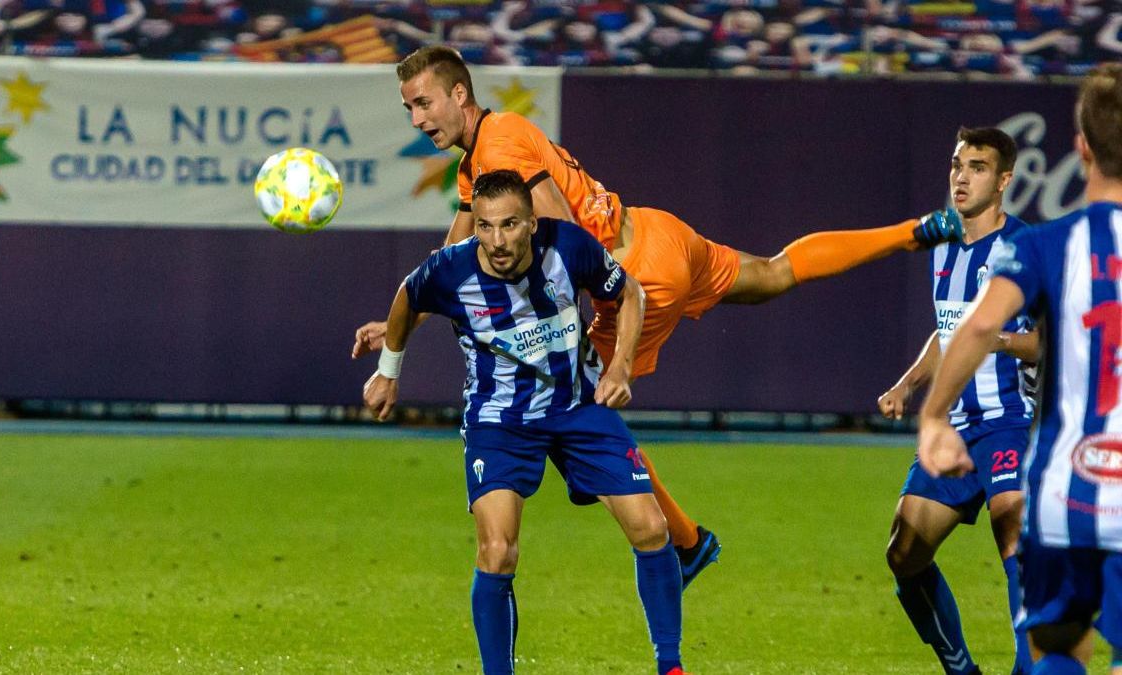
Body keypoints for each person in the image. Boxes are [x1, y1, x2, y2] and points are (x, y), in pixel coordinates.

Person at [353, 44, 963, 587]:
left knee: (578, 412)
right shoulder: (478, 162)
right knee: (774, 273)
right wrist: (405, 322)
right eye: (409, 108)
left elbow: (559, 225)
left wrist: (566, 319)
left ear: (459, 93)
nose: (417, 119)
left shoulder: (500, 145)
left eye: (423, 103)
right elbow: (450, 262)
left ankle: (687, 545)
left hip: (636, 277)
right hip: (657, 230)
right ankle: (911, 233)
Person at [363, 169, 686, 675]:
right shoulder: (450, 270)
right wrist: (388, 373)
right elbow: (408, 296)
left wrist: (621, 364)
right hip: (499, 421)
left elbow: (630, 294)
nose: (496, 240)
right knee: (497, 550)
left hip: (577, 406)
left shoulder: (568, 248)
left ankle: (671, 667)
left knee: (650, 527)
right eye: (486, 226)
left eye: (509, 225)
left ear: (532, 223)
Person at [918, 64, 1122, 675]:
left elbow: (979, 326)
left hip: (1065, 489)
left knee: (1058, 649)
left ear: (1081, 147)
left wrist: (933, 416)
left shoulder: (1041, 246)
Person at [878, 127, 1039, 675]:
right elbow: (947, 330)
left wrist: (996, 340)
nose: (961, 177)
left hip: (1010, 421)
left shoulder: (1024, 248)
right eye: (956, 165)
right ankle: (960, 667)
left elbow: (1047, 340)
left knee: (1010, 519)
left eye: (976, 167)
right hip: (955, 426)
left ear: (1004, 181)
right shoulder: (944, 245)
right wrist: (908, 383)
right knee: (904, 552)